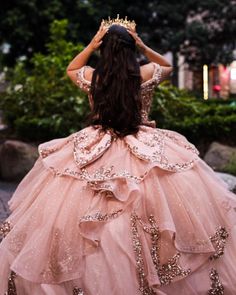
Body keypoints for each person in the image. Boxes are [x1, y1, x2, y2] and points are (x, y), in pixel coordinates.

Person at [0, 16, 236, 295]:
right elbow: (167, 65)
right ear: (130, 48)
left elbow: (72, 67)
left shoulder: (93, 77)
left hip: (97, 144)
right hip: (141, 140)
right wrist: (142, 45)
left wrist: (92, 43)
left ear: (104, 49)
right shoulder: (144, 74)